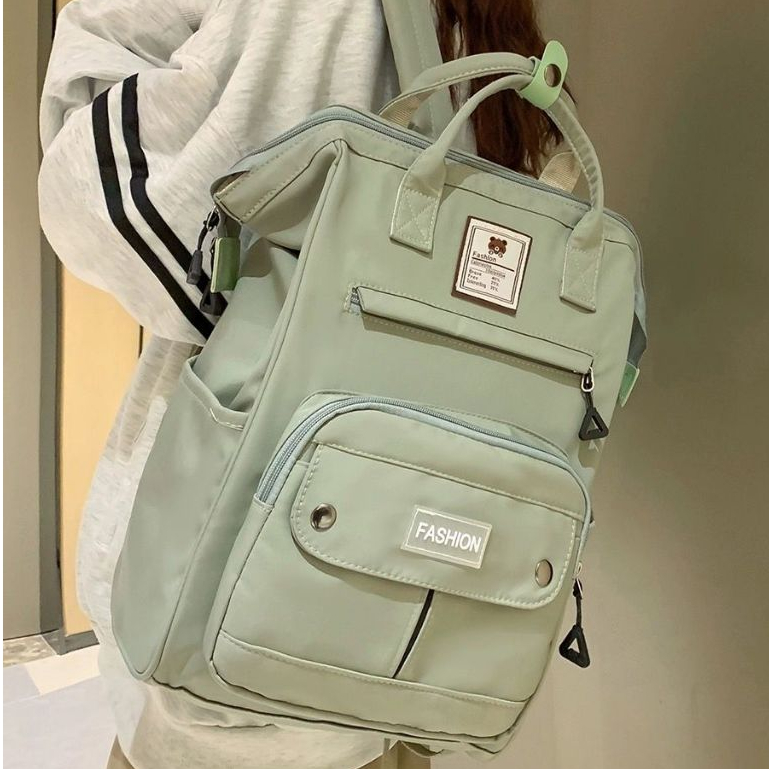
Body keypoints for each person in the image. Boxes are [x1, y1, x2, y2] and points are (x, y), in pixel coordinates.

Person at [38, 1, 565, 767]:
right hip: (417, 627)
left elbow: (103, 197)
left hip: (236, 607)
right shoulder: (497, 42)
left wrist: (278, 317)